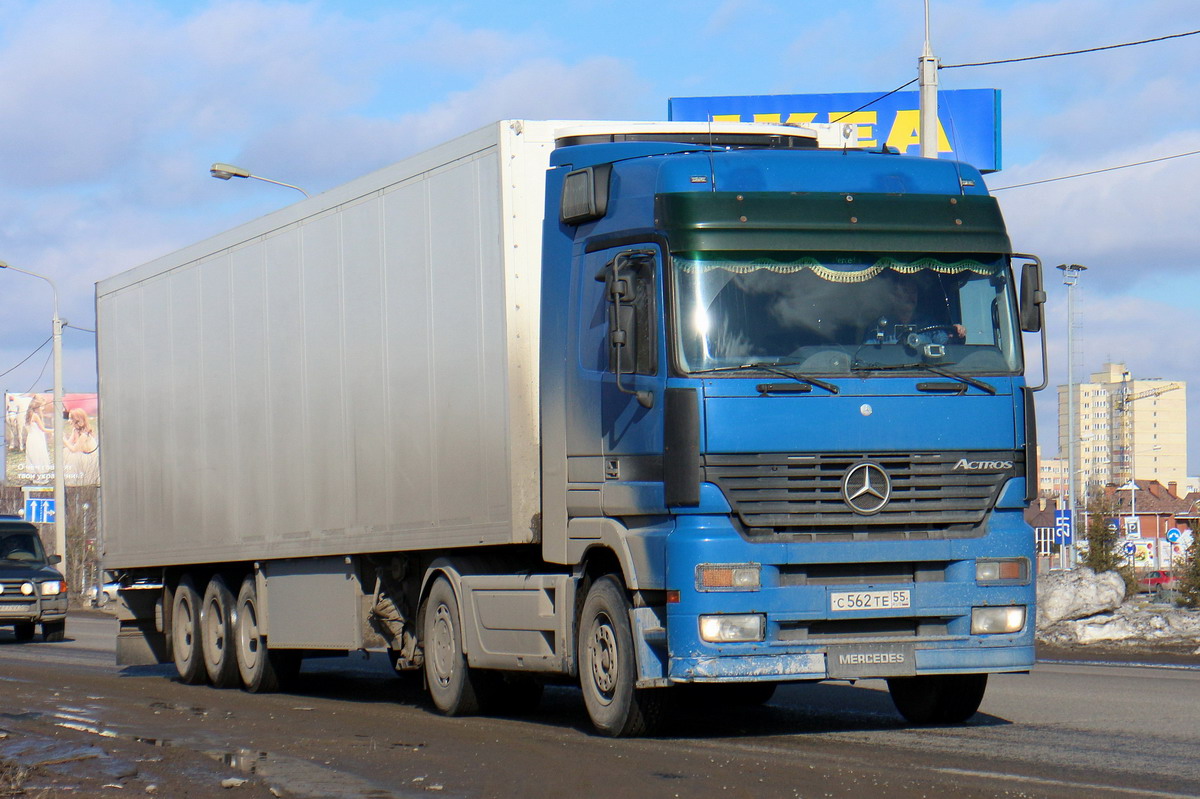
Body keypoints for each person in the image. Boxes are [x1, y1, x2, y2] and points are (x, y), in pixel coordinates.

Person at [866, 274, 965, 346]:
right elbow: (867, 354)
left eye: (913, 292)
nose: (910, 297)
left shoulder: (929, 324)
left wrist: (956, 333)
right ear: (893, 297)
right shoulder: (880, 326)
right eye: (905, 292)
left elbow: (947, 345)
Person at [64, 407, 100, 486]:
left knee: (73, 454)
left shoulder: (84, 435)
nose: (69, 421)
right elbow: (69, 443)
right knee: (66, 451)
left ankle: (77, 479)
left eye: (71, 419)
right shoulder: (75, 430)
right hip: (81, 453)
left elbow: (74, 449)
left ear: (77, 421)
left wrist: (63, 439)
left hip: (88, 457)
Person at [23, 397, 52, 480]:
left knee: (34, 456)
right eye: (42, 406)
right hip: (37, 438)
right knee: (38, 456)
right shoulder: (35, 416)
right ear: (37, 407)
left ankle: (36, 476)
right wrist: (55, 430)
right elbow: (43, 429)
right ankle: (39, 475)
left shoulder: (29, 414)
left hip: (32, 438)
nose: (43, 408)